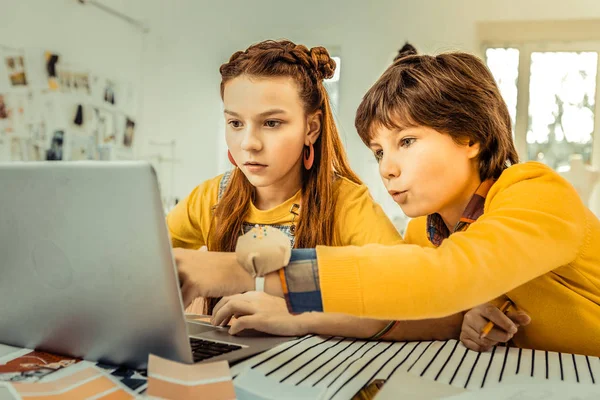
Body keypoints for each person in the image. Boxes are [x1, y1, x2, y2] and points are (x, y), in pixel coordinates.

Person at [179, 48, 600, 357]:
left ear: (471, 137)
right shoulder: (424, 230)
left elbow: (446, 276)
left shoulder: (536, 191)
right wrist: (467, 318)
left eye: (407, 141)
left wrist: (239, 270)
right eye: (379, 151)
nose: (387, 169)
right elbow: (414, 301)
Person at [169, 39, 464, 342]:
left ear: (311, 128)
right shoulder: (209, 198)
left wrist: (301, 313)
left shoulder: (345, 203)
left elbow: (424, 301)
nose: (248, 143)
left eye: (271, 122)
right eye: (235, 123)